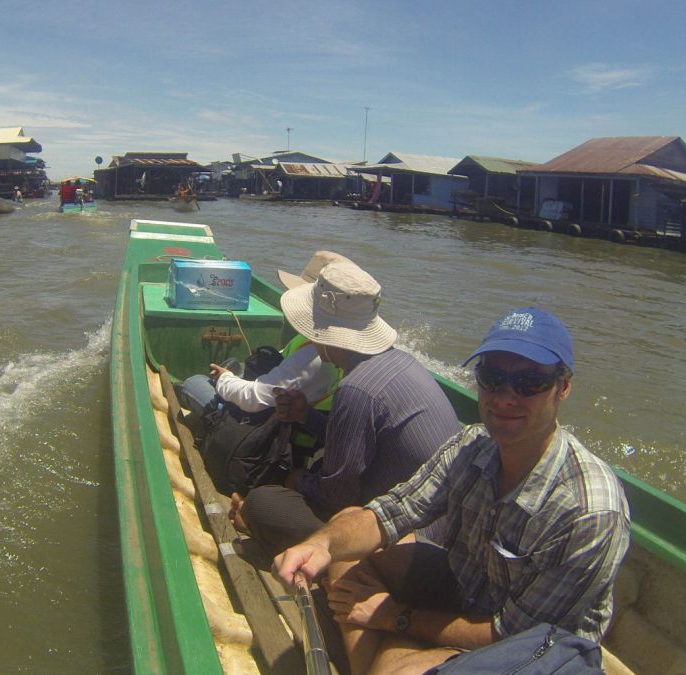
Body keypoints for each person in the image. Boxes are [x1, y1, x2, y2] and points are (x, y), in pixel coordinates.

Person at [273, 307, 631, 675]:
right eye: (492, 377)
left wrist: (395, 618)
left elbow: (516, 634)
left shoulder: (589, 511)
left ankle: (389, 661)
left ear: (563, 388)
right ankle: (388, 659)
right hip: (466, 590)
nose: (506, 397)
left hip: (535, 651)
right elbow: (395, 510)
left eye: (529, 383)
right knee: (345, 537)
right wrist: (322, 544)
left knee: (394, 667)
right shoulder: (473, 445)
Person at [232, 261, 462, 558]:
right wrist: (307, 416)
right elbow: (363, 439)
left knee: (263, 504)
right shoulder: (400, 362)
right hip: (437, 528)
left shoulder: (356, 388)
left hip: (408, 542)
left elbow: (336, 498)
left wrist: (294, 479)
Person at [178, 250, 351, 417]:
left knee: (193, 383)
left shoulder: (315, 355)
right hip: (278, 403)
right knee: (234, 366)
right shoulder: (332, 343)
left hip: (266, 425)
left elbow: (253, 399)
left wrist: (224, 379)